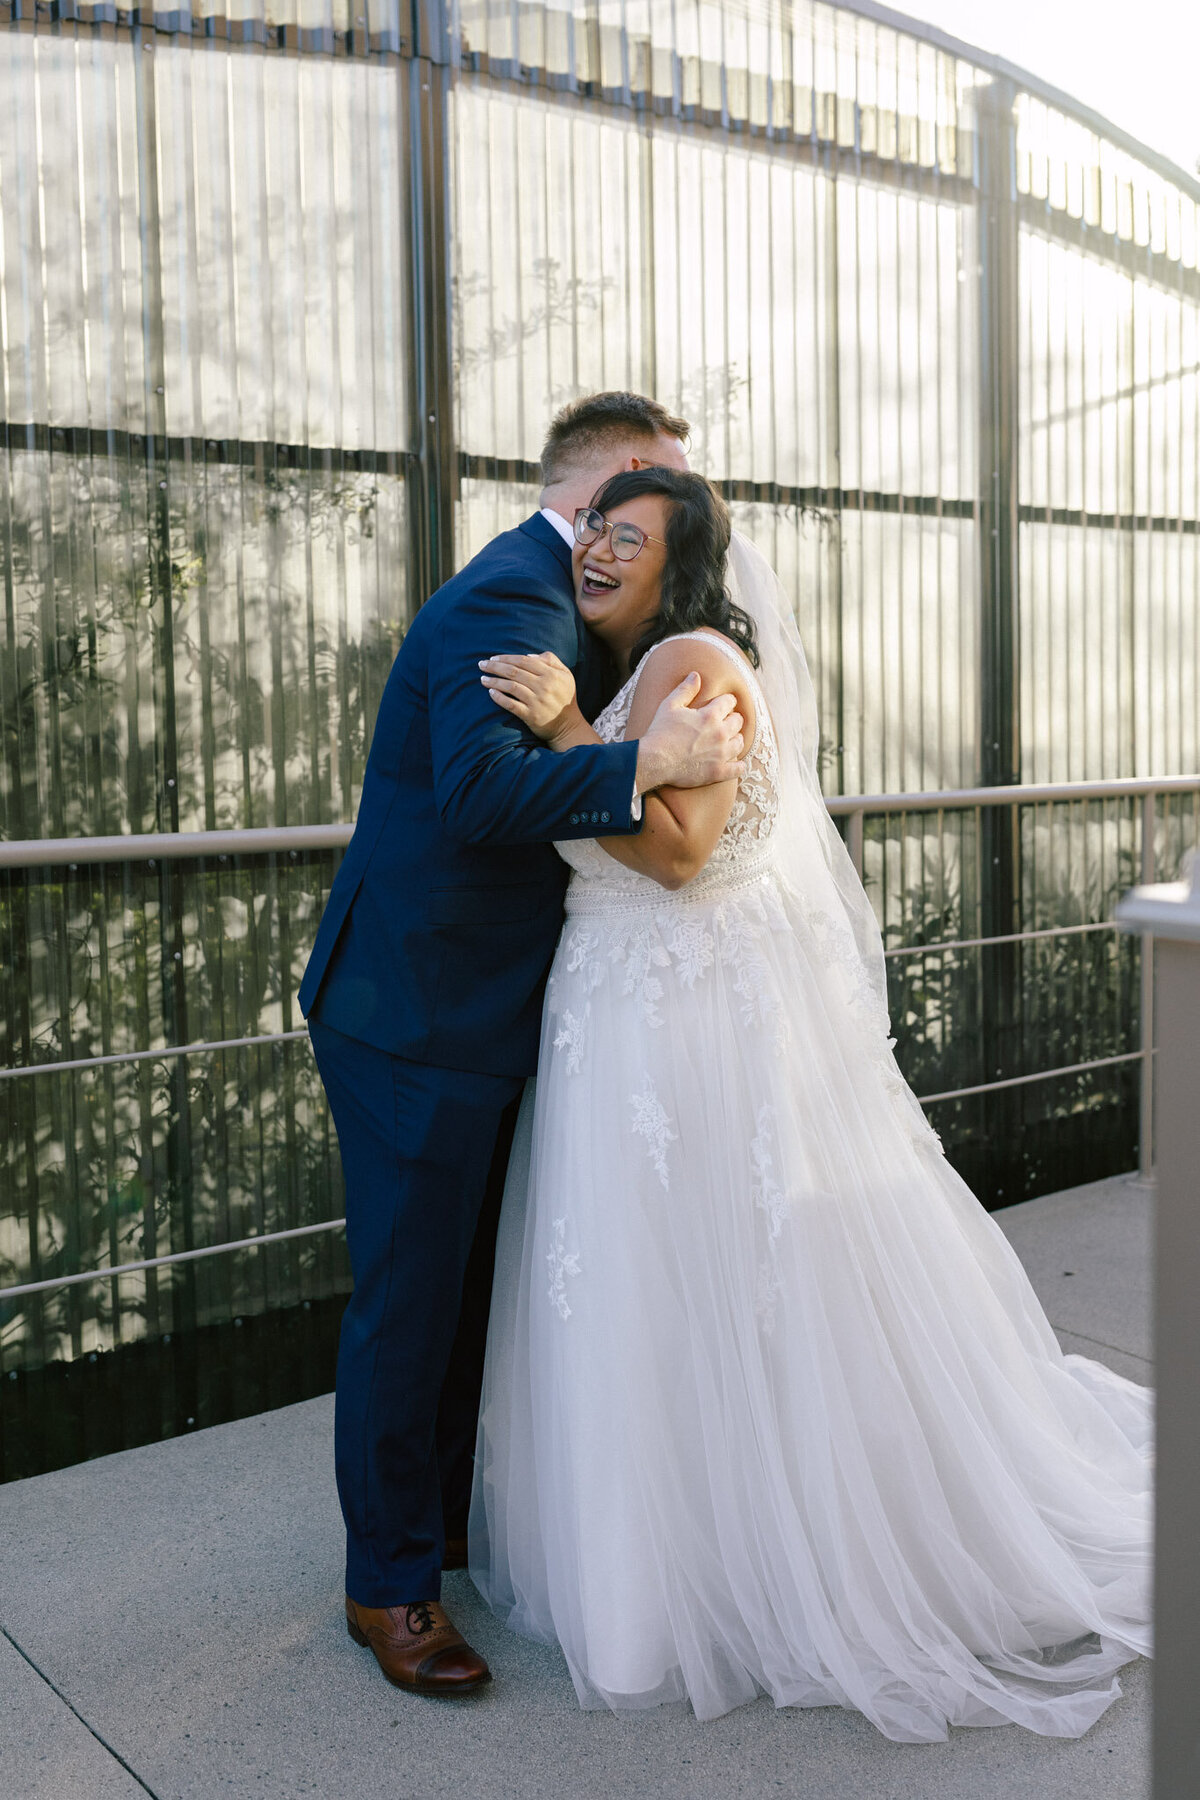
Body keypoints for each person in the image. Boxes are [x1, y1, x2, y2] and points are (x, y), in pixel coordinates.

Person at [469, 467, 1153, 1742]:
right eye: (595, 531)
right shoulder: (639, 668)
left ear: (678, 569)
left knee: (700, 1286)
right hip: (616, 1016)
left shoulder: (692, 662)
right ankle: (657, 1579)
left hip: (671, 1019)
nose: (600, 554)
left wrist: (569, 735)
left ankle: (745, 1570)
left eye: (631, 538)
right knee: (641, 1291)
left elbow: (676, 859)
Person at [299, 396, 747, 1697]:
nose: (645, 534)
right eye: (658, 493)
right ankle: (389, 1588)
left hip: (472, 1009)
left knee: (451, 1293)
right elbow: (479, 788)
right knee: (407, 1305)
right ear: (621, 480)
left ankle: (429, 1532)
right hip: (415, 1016)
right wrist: (643, 755)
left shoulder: (561, 592)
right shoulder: (516, 595)